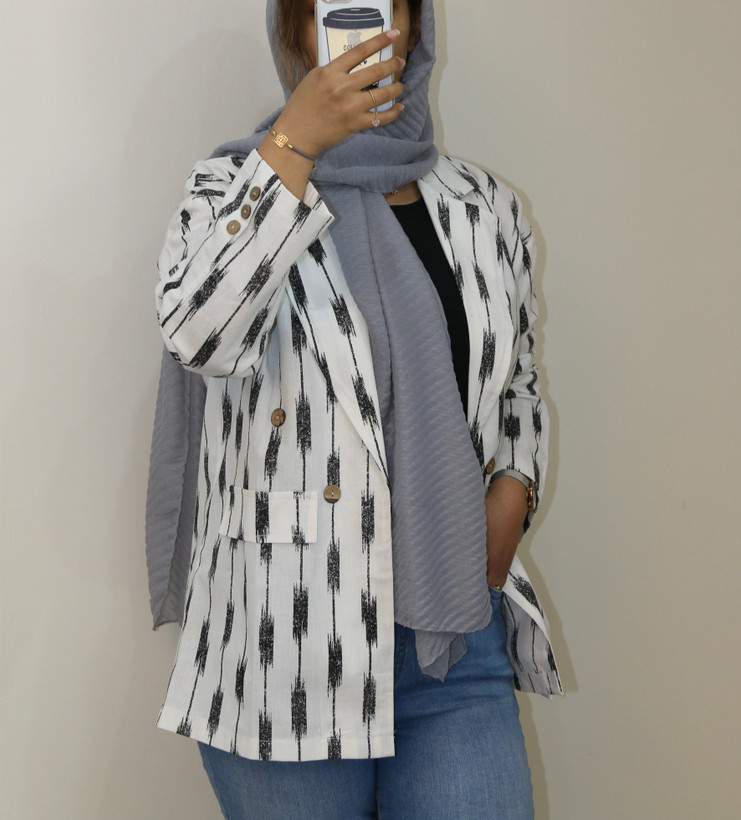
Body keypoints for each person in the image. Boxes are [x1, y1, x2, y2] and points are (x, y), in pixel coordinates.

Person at [148, 0, 561, 817]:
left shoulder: (481, 204)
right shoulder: (231, 187)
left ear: (413, 28)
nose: (363, 25)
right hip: (284, 641)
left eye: (384, 3)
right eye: (331, 5)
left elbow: (514, 373)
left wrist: (514, 485)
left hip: (452, 633)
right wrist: (294, 145)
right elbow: (200, 337)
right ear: (296, 33)